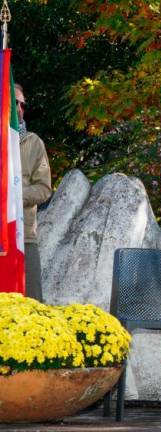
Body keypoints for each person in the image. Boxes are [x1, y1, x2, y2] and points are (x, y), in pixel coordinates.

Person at [16, 83, 52, 302]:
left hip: (24, 236)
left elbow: (44, 188)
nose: (19, 108)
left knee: (32, 303)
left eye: (22, 104)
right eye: (14, 102)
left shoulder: (34, 142)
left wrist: (12, 197)